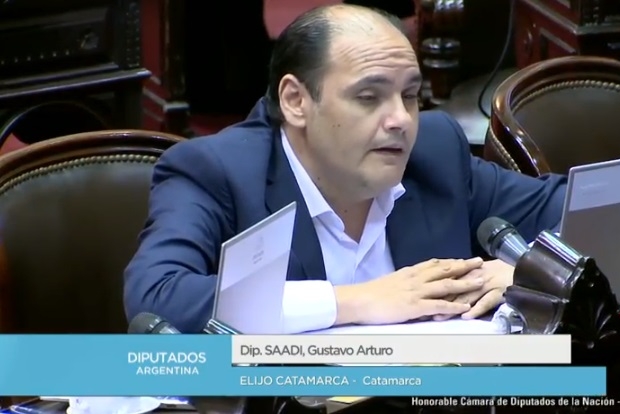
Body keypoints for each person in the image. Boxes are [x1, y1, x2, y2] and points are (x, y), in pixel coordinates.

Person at [123, 5, 566, 334]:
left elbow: (580, 210)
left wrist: (530, 272)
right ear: (296, 101)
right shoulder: (217, 172)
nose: (400, 120)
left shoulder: (433, 153)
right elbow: (156, 297)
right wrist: (353, 302)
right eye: (369, 97)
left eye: (409, 96)